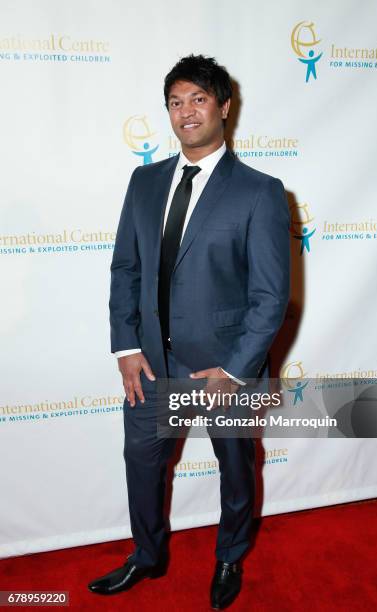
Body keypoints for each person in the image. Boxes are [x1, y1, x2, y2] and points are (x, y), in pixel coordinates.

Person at [88, 54, 290, 609]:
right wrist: (126, 346)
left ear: (224, 106)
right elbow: (125, 268)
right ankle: (148, 556)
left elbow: (270, 296)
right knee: (143, 467)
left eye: (198, 99)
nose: (185, 112)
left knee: (236, 469)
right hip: (152, 367)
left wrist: (233, 369)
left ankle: (229, 556)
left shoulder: (260, 191)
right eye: (175, 102)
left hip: (224, 370)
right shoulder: (145, 181)